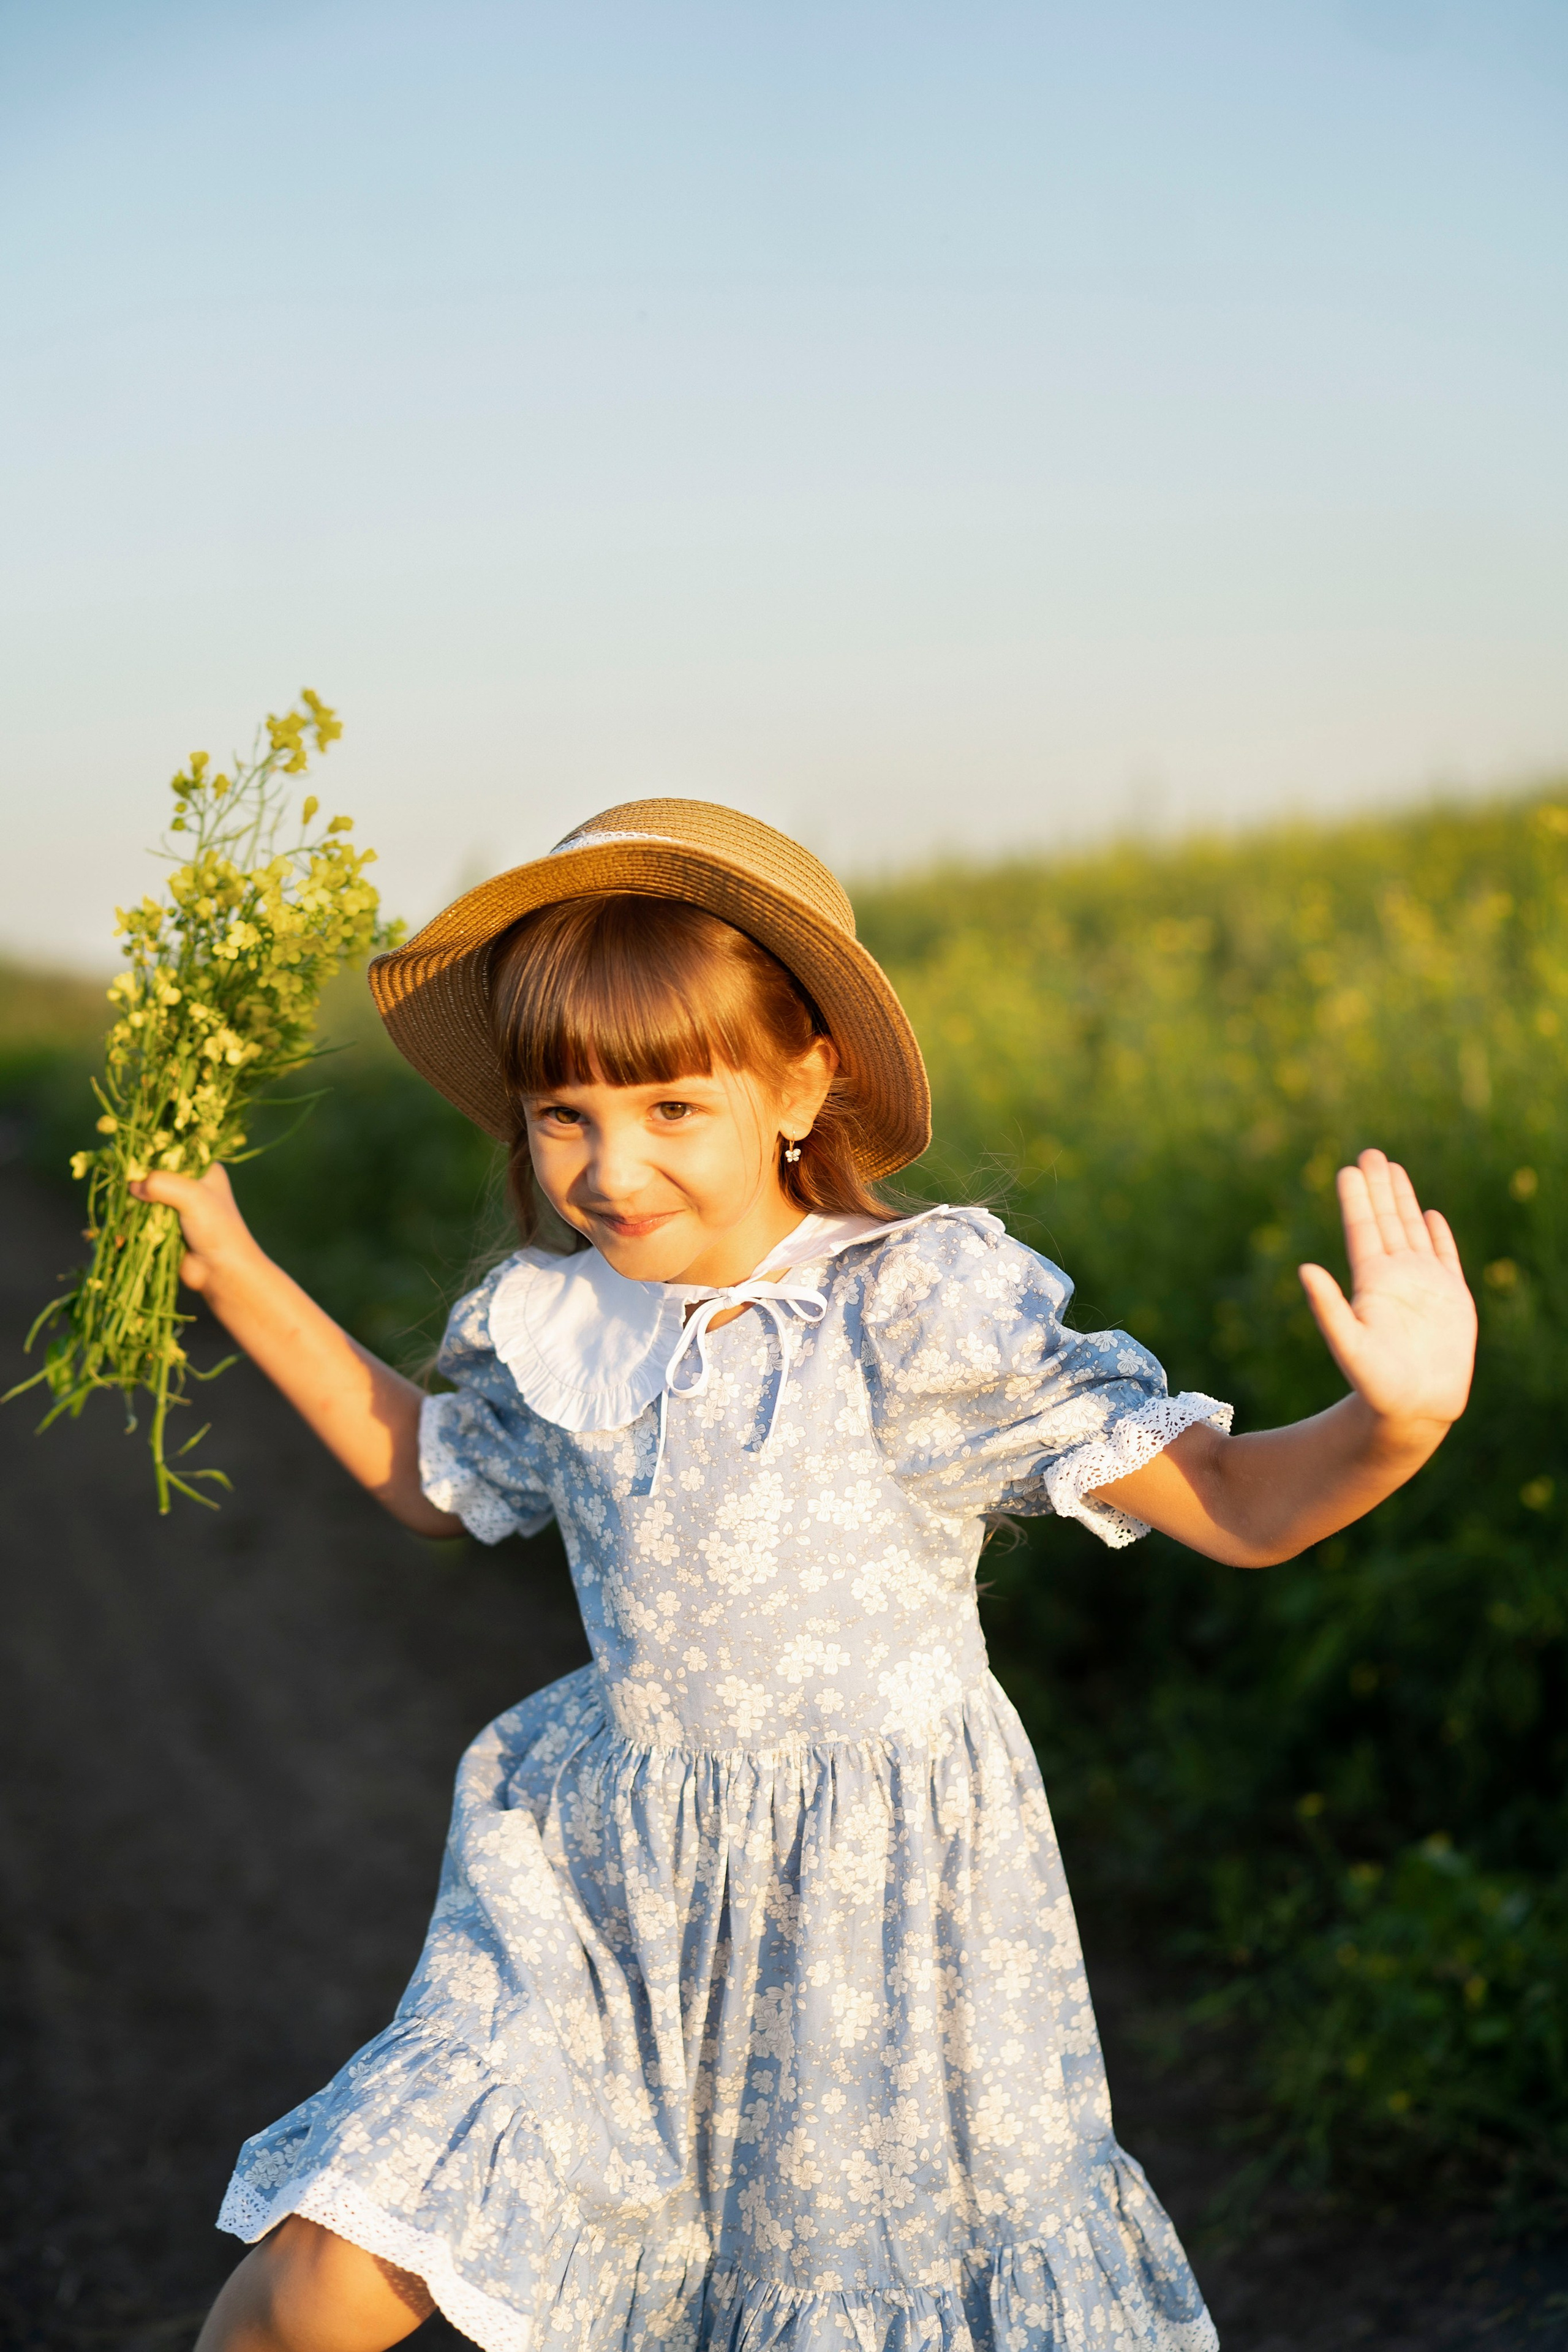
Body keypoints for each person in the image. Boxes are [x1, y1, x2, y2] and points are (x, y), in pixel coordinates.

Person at [132, 801, 1477, 2352]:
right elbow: (436, 1475)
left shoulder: (906, 1311)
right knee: (320, 2279)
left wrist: (1396, 1421)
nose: (607, 1169)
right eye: (562, 1114)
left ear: (800, 1079)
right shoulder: (560, 1321)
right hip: (600, 1883)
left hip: (877, 1923)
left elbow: (1240, 1506)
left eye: (669, 1109)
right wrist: (232, 1264)